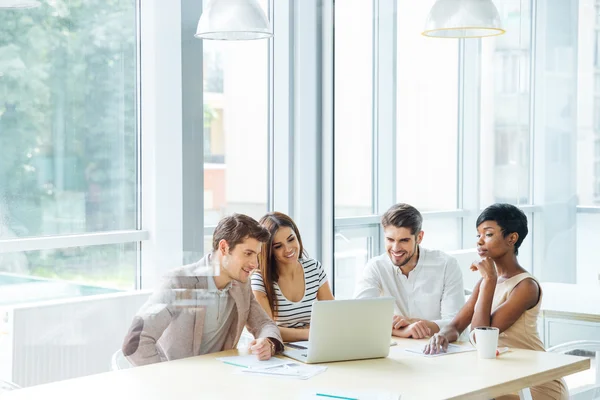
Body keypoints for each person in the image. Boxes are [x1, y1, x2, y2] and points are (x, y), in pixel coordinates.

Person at [423, 203, 567, 400]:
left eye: (488, 234)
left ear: (512, 238)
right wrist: (441, 336)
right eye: (478, 235)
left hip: (535, 383)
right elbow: (456, 326)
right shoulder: (485, 282)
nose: (480, 242)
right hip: (503, 378)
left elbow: (482, 338)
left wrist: (489, 280)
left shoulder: (525, 287)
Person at [122, 213, 284, 366]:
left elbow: (263, 323)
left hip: (219, 378)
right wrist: (166, 379)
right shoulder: (179, 282)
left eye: (256, 255)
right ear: (224, 248)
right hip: (179, 384)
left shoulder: (241, 284)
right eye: (248, 253)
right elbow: (134, 342)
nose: (255, 264)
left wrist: (268, 342)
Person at [354, 203, 464, 339]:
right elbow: (359, 317)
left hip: (437, 348)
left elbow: (456, 324)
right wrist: (403, 331)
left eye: (404, 240)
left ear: (419, 237)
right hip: (395, 349)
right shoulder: (376, 267)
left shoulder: (447, 265)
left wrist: (414, 323)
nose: (395, 248)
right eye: (390, 239)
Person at [251, 212, 334, 342]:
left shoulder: (314, 268)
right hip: (281, 349)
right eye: (278, 246)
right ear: (269, 251)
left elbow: (333, 316)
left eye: (291, 239)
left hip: (316, 344)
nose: (288, 249)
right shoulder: (260, 279)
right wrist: (309, 332)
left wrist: (299, 332)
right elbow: (268, 330)